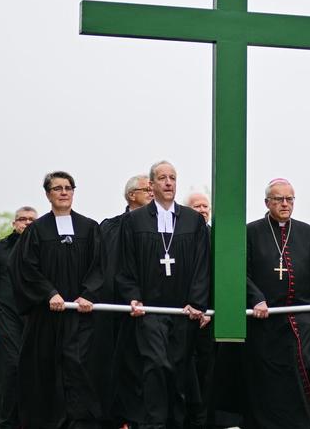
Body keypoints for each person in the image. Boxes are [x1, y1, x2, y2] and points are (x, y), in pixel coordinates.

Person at [113, 160, 211, 429]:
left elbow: (203, 265)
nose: (169, 183)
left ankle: (176, 422)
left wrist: (197, 301)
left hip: (183, 311)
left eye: (173, 178)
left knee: (179, 370)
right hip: (150, 311)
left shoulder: (192, 220)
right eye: (163, 178)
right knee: (156, 365)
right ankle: (153, 423)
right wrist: (132, 296)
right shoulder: (135, 221)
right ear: (152, 185)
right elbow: (125, 263)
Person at [15, 170, 105, 428]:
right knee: (47, 370)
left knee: (79, 367)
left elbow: (100, 266)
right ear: (48, 194)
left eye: (68, 187)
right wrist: (49, 293)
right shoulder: (36, 230)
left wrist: (88, 294)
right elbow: (26, 268)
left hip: (80, 316)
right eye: (58, 188)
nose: (64, 192)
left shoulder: (90, 228)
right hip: (47, 318)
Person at [243, 177, 310, 429]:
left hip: (302, 316)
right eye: (279, 199)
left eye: (289, 199)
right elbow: (242, 273)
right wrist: (256, 298)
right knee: (268, 376)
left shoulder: (307, 232)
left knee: (303, 364)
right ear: (267, 202)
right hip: (265, 319)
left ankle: (307, 423)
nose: (285, 204)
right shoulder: (251, 232)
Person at [94, 174, 154, 425]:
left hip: (148, 306)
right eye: (147, 189)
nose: (153, 193)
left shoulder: (159, 225)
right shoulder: (110, 226)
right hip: (115, 308)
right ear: (132, 195)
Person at [0, 206, 33, 429]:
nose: (27, 223)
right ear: (14, 223)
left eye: (31, 220)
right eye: (22, 219)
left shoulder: (43, 248)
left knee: (32, 372)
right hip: (5, 318)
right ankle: (5, 422)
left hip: (32, 319)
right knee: (11, 369)